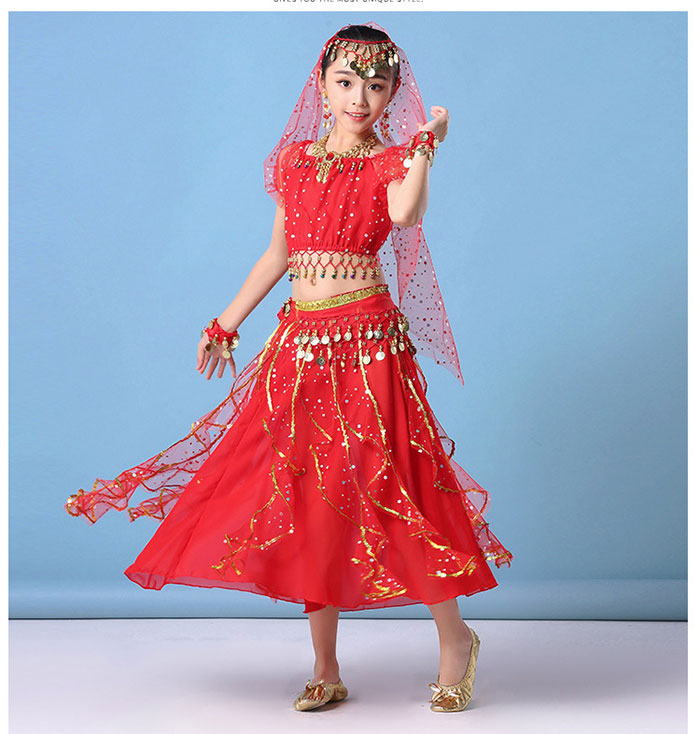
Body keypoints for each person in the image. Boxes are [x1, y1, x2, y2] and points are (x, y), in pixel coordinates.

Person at [64, 21, 513, 713]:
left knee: (399, 484)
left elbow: (405, 213)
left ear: (393, 94)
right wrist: (225, 322)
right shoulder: (296, 162)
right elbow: (278, 255)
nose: (359, 97)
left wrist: (426, 143)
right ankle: (326, 667)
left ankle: (456, 640)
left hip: (366, 345)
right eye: (346, 82)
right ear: (321, 86)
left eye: (376, 85)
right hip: (300, 345)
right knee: (305, 493)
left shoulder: (393, 161)